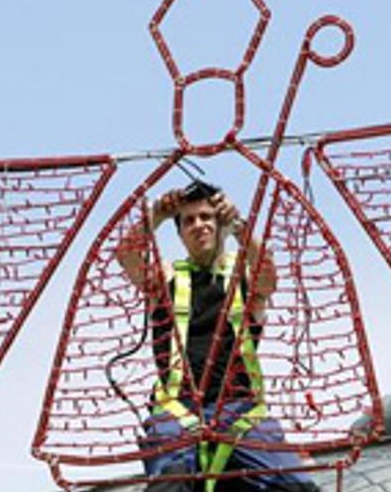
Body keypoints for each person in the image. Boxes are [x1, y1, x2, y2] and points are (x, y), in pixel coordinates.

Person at [116, 181, 320, 492]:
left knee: (297, 485)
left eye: (207, 217)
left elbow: (269, 277)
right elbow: (127, 256)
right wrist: (155, 215)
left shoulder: (243, 277)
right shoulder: (168, 278)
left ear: (219, 222)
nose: (199, 225)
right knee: (170, 482)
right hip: (178, 409)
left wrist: (239, 226)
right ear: (181, 232)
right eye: (189, 220)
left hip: (241, 410)